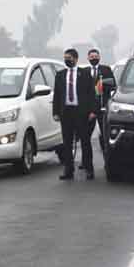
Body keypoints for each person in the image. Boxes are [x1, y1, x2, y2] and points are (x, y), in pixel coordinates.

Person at [53, 48, 96, 180]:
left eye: (69, 58)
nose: (67, 60)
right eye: (65, 58)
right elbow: (57, 95)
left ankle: (89, 169)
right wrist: (55, 112)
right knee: (67, 143)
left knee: (85, 141)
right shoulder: (60, 75)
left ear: (76, 59)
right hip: (66, 112)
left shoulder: (85, 74)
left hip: (81, 112)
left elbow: (91, 93)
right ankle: (68, 170)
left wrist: (92, 111)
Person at [86, 48, 115, 152]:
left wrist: (102, 85)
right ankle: (87, 157)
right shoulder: (84, 71)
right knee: (86, 134)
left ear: (99, 57)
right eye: (92, 57)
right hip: (89, 108)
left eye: (96, 56)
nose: (94, 58)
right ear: (88, 58)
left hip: (103, 106)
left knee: (104, 133)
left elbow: (113, 84)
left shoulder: (106, 69)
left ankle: (106, 153)